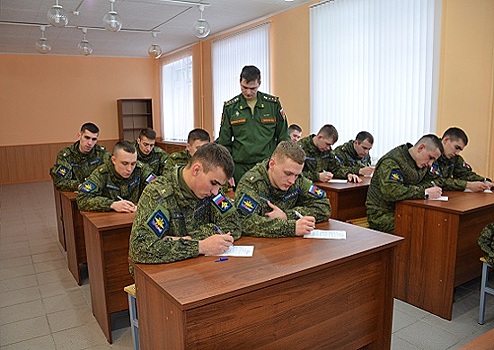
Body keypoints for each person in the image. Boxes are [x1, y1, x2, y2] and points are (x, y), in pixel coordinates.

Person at [129, 143, 240, 266]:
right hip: (165, 274)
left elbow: (234, 224)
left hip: (201, 268)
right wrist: (200, 246)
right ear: (196, 170)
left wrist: (189, 238)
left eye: (220, 186)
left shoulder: (211, 192)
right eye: (214, 183)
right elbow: (139, 248)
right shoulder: (158, 193)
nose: (216, 191)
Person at [234, 141, 331, 238]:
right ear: (272, 164)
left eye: (296, 175)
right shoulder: (251, 183)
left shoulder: (299, 181)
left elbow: (324, 206)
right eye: (288, 174)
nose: (292, 181)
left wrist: (287, 216)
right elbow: (244, 221)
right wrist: (291, 228)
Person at [217, 65, 290, 184]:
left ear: (259, 83)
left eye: (253, 88)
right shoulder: (230, 107)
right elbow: (224, 142)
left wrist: (282, 167)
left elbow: (283, 138)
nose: (248, 92)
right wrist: (226, 171)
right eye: (244, 87)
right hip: (240, 168)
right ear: (240, 82)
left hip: (267, 166)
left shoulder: (272, 104)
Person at [366, 134, 444, 234]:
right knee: (418, 229)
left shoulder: (421, 163)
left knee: (435, 223)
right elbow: (391, 191)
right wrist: (424, 192)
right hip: (382, 214)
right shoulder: (392, 161)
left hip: (406, 210)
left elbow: (435, 181)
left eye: (434, 160)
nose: (430, 164)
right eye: (430, 158)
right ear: (421, 148)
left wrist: (417, 189)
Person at [77, 141, 156, 212]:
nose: (129, 169)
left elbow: (159, 187)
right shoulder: (102, 173)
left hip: (135, 216)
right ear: (114, 160)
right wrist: (112, 204)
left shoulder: (140, 169)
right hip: (109, 220)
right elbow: (82, 198)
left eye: (133, 164)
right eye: (124, 163)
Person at [425, 127, 493, 192]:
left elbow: (465, 174)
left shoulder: (454, 158)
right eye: (456, 147)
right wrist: (467, 185)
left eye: (460, 150)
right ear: (446, 140)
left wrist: (484, 181)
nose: (457, 153)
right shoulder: (430, 153)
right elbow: (438, 181)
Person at [50, 122, 110, 191]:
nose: (90, 143)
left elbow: (112, 174)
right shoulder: (67, 155)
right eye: (87, 137)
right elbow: (60, 181)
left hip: (98, 192)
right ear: (79, 136)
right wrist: (80, 186)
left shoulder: (101, 153)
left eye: (94, 139)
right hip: (76, 194)